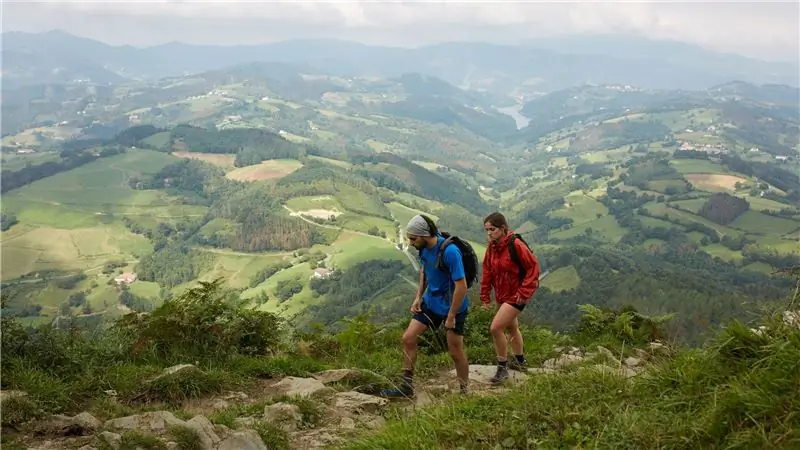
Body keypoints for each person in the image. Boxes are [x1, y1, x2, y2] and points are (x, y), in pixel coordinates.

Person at [381, 214, 470, 398]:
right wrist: (418, 297)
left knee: (455, 352)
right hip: (431, 302)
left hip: (453, 306)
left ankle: (464, 391)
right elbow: (425, 271)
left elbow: (461, 286)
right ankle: (406, 386)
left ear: (424, 235)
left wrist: (451, 316)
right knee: (408, 338)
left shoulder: (449, 252)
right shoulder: (423, 249)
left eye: (413, 239)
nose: (411, 243)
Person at [480, 212, 541, 384]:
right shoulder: (492, 248)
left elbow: (533, 268)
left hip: (516, 295)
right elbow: (487, 271)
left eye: (492, 229)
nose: (489, 233)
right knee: (512, 327)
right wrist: (485, 296)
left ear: (503, 228)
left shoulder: (516, 244)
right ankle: (520, 361)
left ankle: (502, 367)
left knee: (496, 328)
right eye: (486, 230)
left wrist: (523, 293)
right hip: (502, 295)